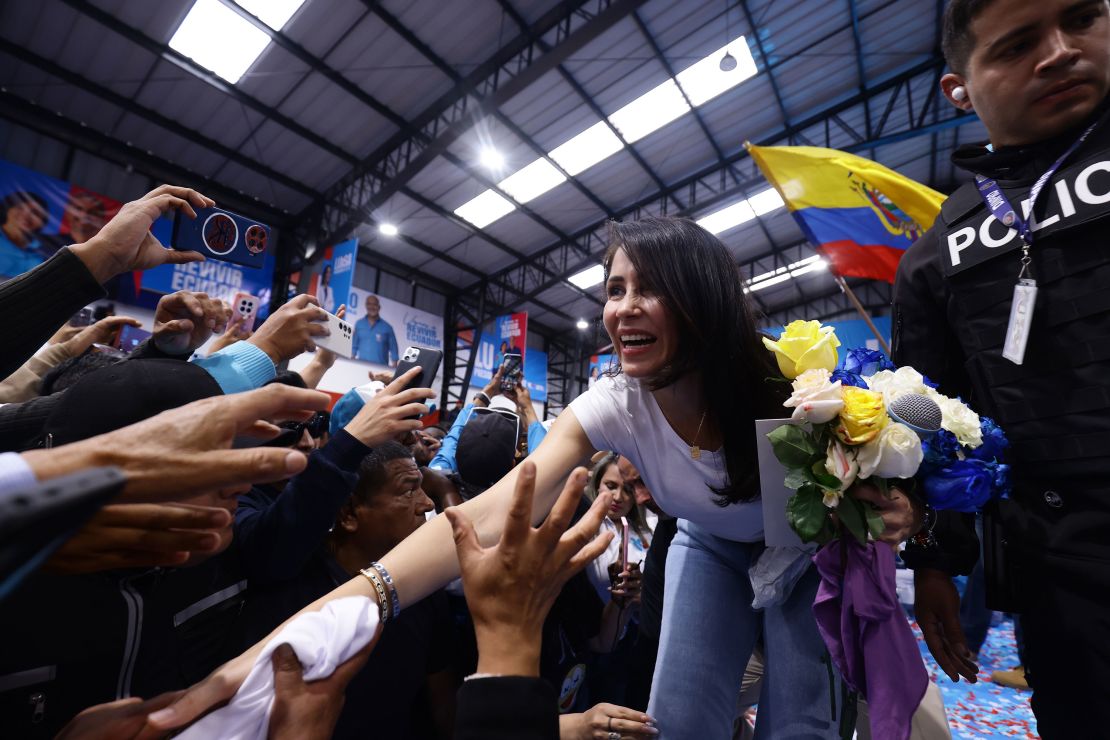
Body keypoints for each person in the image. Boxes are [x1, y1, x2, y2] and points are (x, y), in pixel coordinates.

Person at [144, 217, 917, 739]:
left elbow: (905, 467)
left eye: (647, 288)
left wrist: (902, 510)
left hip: (803, 553)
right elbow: (485, 515)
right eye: (613, 290)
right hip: (710, 547)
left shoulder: (794, 390)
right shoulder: (611, 404)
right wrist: (326, 617)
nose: (622, 309)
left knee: (798, 724)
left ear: (704, 301)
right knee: (677, 722)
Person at [894, 1, 1110, 735]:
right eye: (1017, 45)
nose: (1058, 52)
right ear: (961, 89)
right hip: (1067, 589)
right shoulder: (936, 255)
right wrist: (932, 562)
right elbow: (930, 424)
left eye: (1082, 18)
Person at [243, 442, 456, 739]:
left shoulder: (426, 586)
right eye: (408, 490)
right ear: (348, 514)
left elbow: (441, 701)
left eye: (422, 488)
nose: (427, 504)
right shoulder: (292, 594)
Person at [0, 190, 49, 278]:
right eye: (20, 208)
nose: (26, 215)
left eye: (35, 213)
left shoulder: (45, 252)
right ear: (7, 209)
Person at [352, 293, 398, 366]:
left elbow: (394, 351)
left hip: (380, 370)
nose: (372, 307)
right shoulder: (359, 324)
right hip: (360, 368)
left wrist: (393, 371)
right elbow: (353, 347)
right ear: (366, 306)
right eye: (369, 304)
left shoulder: (388, 328)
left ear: (379, 307)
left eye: (374, 304)